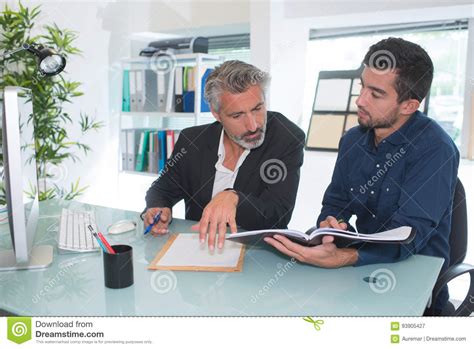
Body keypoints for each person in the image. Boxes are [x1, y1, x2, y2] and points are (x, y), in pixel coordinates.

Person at [264, 37, 460, 314]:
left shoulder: (436, 148)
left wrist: (345, 257)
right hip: (361, 275)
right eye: (362, 87)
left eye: (376, 94)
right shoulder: (353, 140)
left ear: (409, 105)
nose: (360, 100)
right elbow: (335, 203)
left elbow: (409, 236)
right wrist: (334, 225)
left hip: (415, 282)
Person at [143, 60, 305, 251]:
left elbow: (278, 215)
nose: (253, 125)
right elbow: (162, 189)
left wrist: (234, 198)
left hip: (258, 254)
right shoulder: (192, 141)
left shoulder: (286, 137)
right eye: (237, 116)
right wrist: (157, 208)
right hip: (200, 250)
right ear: (216, 113)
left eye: (257, 109)